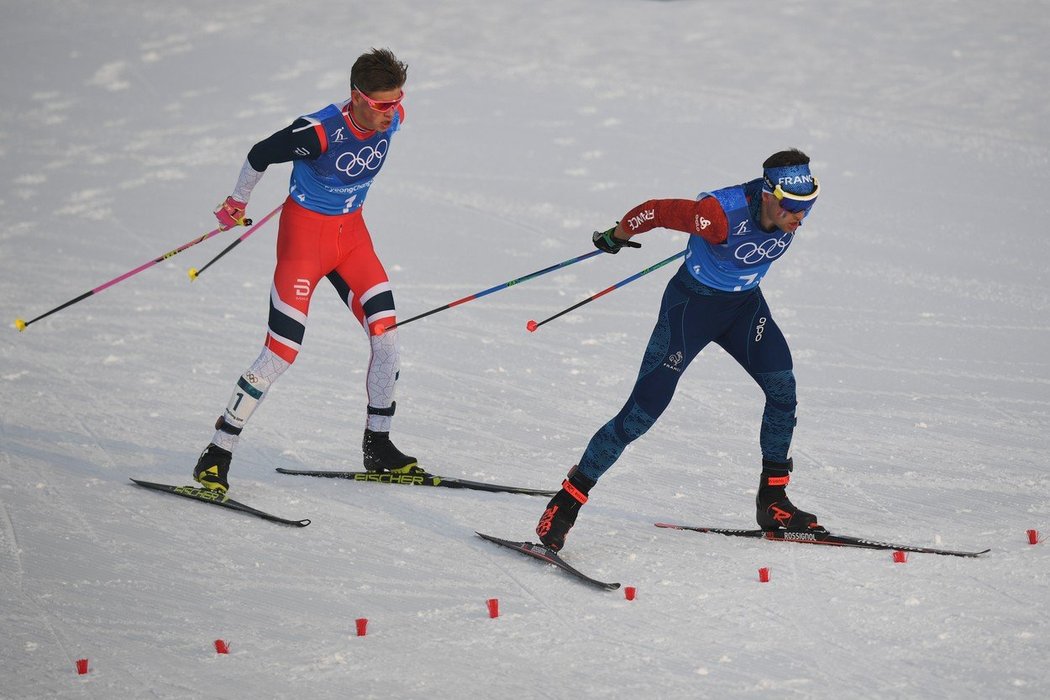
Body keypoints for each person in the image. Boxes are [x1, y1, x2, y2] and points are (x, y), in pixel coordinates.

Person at [535, 148, 826, 551]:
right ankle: (568, 499)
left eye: (809, 206)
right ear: (768, 194)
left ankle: (773, 501)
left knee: (783, 392)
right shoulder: (718, 215)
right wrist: (618, 235)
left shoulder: (785, 214)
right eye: (793, 206)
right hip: (691, 309)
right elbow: (654, 211)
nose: (800, 217)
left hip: (744, 308)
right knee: (642, 412)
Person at [193, 48, 419, 493]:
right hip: (305, 244)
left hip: (352, 240)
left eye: (397, 102)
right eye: (380, 105)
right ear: (355, 97)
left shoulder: (391, 116)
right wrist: (237, 202)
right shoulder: (317, 131)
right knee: (281, 352)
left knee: (388, 338)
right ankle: (217, 451)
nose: (391, 115)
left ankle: (378, 444)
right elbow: (260, 153)